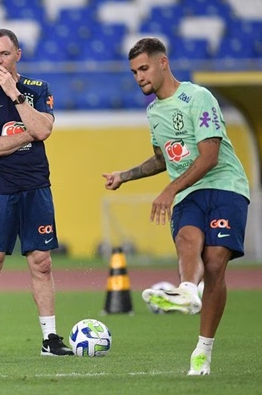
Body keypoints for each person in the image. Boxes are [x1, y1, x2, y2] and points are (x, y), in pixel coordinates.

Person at [102, 37, 250, 376]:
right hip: (188, 193)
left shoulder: (198, 97)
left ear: (163, 63)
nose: (139, 77)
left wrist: (169, 189)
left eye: (144, 69)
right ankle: (186, 290)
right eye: (134, 72)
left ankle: (203, 350)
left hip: (225, 185)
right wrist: (125, 175)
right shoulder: (153, 112)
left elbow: (210, 156)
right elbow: (162, 159)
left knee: (214, 263)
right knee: (186, 238)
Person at [0, 28, 73, 358]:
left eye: (4, 53)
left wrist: (15, 95)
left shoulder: (37, 89)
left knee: (41, 262)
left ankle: (50, 338)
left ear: (18, 54)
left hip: (36, 186)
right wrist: (28, 135)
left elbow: (43, 128)